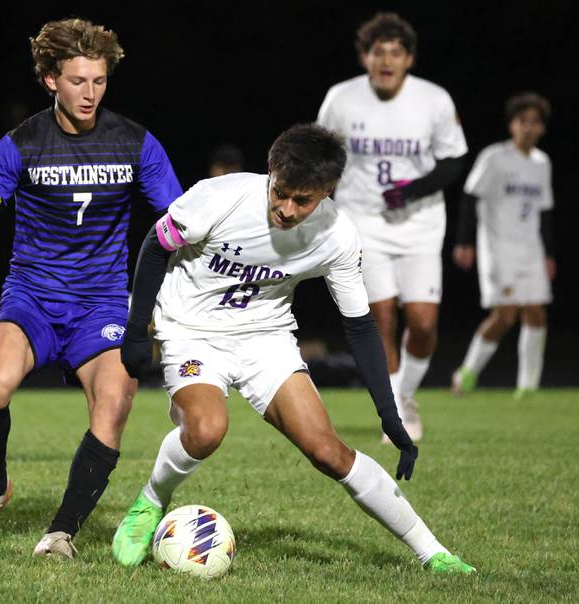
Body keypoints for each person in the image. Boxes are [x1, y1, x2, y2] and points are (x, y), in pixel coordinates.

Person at [110, 123, 474, 574]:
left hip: (267, 339)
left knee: (328, 452)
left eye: (302, 200)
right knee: (205, 430)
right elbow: (154, 247)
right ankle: (150, 502)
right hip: (191, 331)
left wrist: (389, 412)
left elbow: (360, 327)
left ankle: (433, 552)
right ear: (270, 170)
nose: (285, 208)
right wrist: (136, 332)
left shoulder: (337, 234)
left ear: (328, 190)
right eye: (280, 192)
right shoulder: (220, 196)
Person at [0, 18, 182, 559]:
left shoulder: (135, 143)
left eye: (99, 81)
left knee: (116, 398)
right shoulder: (22, 144)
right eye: (78, 81)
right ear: (51, 79)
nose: (90, 93)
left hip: (99, 302)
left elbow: (178, 219)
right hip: (31, 296)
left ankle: (61, 533)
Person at [317, 13, 467, 442]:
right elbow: (323, 153)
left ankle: (406, 395)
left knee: (422, 322)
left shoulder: (434, 100)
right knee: (382, 317)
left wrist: (415, 189)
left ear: (409, 59)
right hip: (363, 220)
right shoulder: (341, 99)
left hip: (421, 224)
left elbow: (455, 159)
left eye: (395, 53)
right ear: (365, 57)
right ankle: (399, 411)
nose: (386, 60)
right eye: (377, 52)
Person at [451, 92, 555, 397]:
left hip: (531, 249)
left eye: (534, 123)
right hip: (498, 248)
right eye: (522, 122)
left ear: (541, 129)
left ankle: (528, 386)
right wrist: (464, 242)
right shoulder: (494, 157)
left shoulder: (542, 163)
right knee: (505, 314)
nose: (528, 128)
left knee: (536, 312)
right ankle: (467, 372)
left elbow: (545, 211)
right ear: (512, 125)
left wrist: (548, 253)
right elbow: (471, 197)